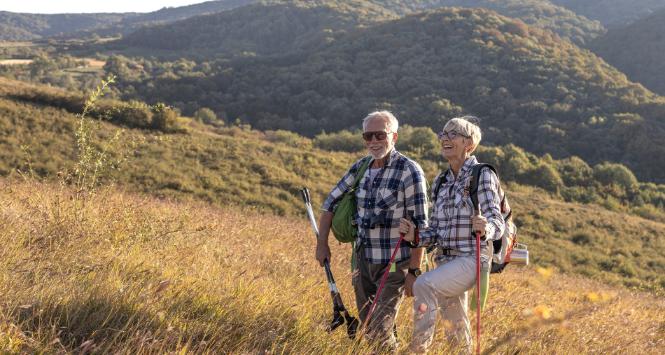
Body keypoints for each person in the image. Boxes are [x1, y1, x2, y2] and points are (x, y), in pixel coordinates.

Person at [316, 111, 429, 351]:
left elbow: (421, 225)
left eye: (380, 135)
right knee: (370, 326)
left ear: (394, 137)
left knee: (379, 328)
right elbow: (330, 204)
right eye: (368, 136)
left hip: (395, 265)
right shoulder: (360, 168)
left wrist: (415, 271)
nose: (373, 141)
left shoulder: (409, 171)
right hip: (362, 263)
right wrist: (322, 244)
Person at [399, 116, 505, 354]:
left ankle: (417, 349)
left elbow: (498, 224)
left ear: (470, 144)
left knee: (425, 284)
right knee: (456, 329)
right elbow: (435, 232)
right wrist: (414, 235)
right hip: (445, 261)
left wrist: (485, 227)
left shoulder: (482, 175)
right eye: (443, 134)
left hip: (472, 259)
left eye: (453, 134)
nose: (445, 139)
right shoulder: (441, 181)